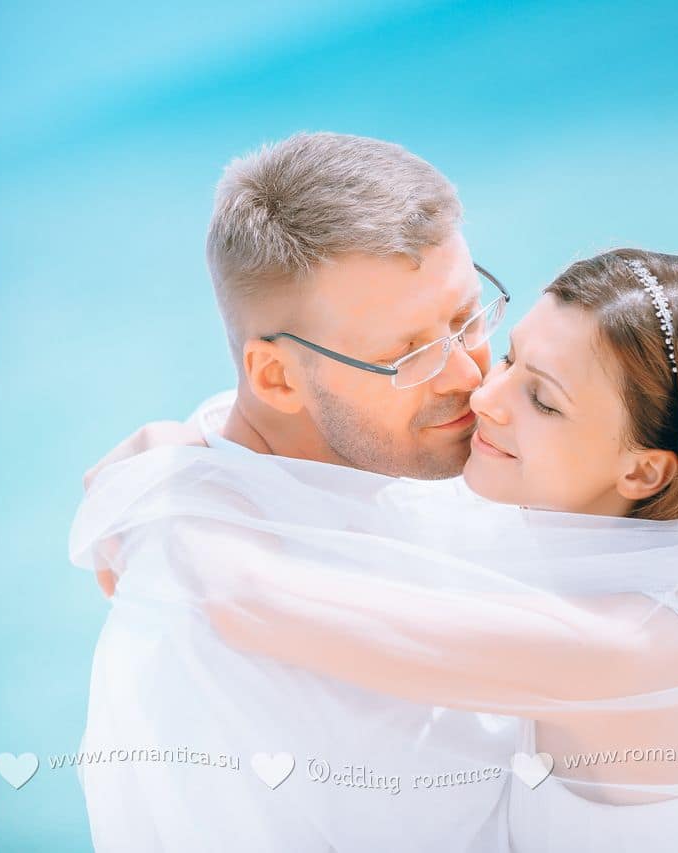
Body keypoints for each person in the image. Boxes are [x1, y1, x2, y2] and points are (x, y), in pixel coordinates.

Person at [75, 248, 678, 850]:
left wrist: (168, 477)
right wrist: (186, 441)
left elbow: (249, 602)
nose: (484, 396)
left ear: (643, 468)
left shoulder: (631, 648)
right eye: (513, 358)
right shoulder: (575, 536)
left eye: (544, 399)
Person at [72, 130, 523, 852]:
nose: (468, 375)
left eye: (467, 317)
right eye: (407, 354)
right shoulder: (209, 652)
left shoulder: (432, 448)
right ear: (277, 377)